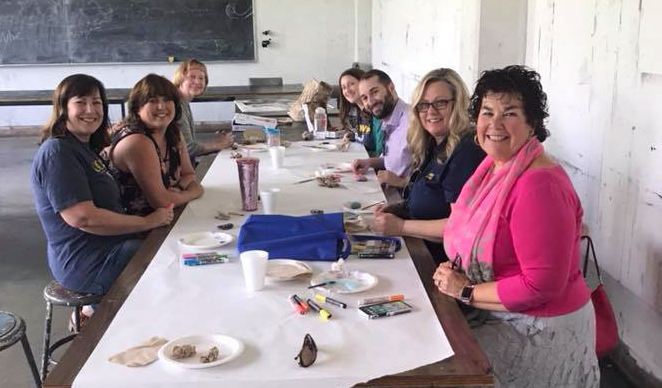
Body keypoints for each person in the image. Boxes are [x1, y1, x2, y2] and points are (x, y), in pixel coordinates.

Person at [433, 65, 599, 387]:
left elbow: (540, 285)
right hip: (499, 312)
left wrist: (465, 289)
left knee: (440, 371)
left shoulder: (539, 186)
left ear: (532, 123)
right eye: (487, 112)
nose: (494, 124)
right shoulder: (495, 168)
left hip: (537, 328)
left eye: (509, 113)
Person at [31, 74, 174, 309]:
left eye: (97, 102)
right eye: (81, 102)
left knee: (169, 248)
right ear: (63, 108)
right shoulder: (57, 152)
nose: (91, 110)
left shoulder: (84, 147)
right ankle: (103, 320)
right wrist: (146, 221)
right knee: (166, 261)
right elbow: (83, 218)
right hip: (89, 263)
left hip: (110, 247)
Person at [372, 68, 485, 264]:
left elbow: (459, 226)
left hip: (441, 264)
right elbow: (432, 196)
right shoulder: (434, 142)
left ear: (457, 104)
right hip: (420, 247)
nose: (430, 112)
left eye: (440, 103)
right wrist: (399, 209)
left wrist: (401, 226)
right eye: (423, 105)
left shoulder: (466, 150)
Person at [102, 74, 204, 216]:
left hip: (165, 217)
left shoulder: (173, 132)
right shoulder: (137, 142)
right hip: (135, 228)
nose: (161, 106)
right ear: (137, 108)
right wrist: (193, 192)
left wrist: (178, 188)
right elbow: (162, 202)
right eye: (152, 101)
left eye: (167, 100)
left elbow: (189, 174)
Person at [351, 69, 412, 178]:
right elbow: (395, 161)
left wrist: (401, 183)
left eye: (375, 92)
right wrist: (369, 162)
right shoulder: (388, 119)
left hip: (403, 192)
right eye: (364, 98)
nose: (370, 101)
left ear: (391, 88)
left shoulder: (411, 121)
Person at [173, 59, 233, 164]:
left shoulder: (184, 102)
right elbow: (187, 149)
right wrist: (217, 144)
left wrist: (216, 139)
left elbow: (187, 141)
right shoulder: (176, 105)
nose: (197, 82)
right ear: (180, 79)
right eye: (192, 77)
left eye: (202, 78)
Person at [338, 68, 383, 157]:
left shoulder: (377, 115)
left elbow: (381, 154)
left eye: (351, 84)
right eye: (343, 87)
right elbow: (366, 140)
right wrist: (354, 136)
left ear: (364, 83)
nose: (347, 90)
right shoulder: (360, 112)